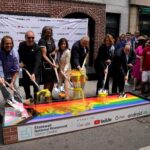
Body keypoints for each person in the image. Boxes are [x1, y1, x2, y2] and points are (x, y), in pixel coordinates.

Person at [18, 31, 41, 99]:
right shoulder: (21, 45)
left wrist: (34, 73)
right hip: (25, 68)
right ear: (25, 38)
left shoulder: (37, 48)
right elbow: (19, 54)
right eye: (29, 38)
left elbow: (38, 62)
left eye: (32, 38)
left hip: (35, 69)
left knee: (36, 87)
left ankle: (37, 100)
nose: (31, 39)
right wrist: (20, 62)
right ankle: (28, 98)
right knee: (25, 85)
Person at [38, 26, 57, 93]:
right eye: (47, 33)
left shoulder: (52, 39)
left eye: (50, 33)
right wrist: (51, 64)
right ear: (44, 33)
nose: (49, 34)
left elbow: (54, 49)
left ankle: (50, 95)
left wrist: (54, 51)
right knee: (48, 81)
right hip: (46, 64)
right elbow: (44, 55)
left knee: (52, 81)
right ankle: (45, 96)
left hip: (52, 62)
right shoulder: (42, 41)